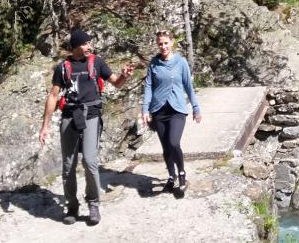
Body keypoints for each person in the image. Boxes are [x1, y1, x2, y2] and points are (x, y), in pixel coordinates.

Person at [39, 28, 134, 226]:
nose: (89, 46)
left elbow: (116, 82)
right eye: (85, 43)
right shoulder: (63, 67)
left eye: (90, 43)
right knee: (68, 166)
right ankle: (72, 206)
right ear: (75, 47)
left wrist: (124, 75)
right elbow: (53, 96)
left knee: (90, 162)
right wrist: (45, 126)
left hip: (91, 116)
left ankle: (93, 204)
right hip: (69, 117)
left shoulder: (97, 62)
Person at [141, 29, 201, 196]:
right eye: (160, 43)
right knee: (166, 147)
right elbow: (148, 87)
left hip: (177, 109)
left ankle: (181, 174)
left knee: (174, 143)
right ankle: (171, 176)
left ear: (171, 43)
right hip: (159, 110)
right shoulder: (154, 64)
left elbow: (188, 86)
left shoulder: (181, 63)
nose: (163, 46)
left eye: (166, 43)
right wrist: (145, 109)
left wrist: (196, 108)